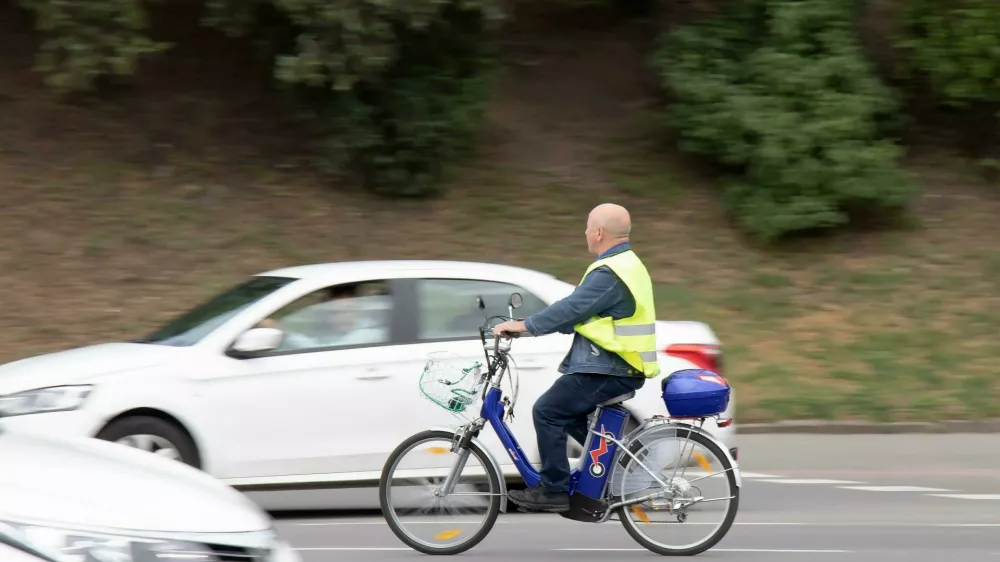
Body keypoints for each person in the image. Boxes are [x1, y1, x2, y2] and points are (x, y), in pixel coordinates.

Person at [491, 202, 661, 512]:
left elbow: (572, 308)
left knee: (547, 410)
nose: (584, 233)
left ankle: (553, 489)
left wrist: (523, 325)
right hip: (617, 364)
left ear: (598, 232)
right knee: (568, 414)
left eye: (586, 227)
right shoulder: (625, 264)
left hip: (612, 366)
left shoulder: (611, 271)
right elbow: (580, 312)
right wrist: (536, 326)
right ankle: (623, 466)